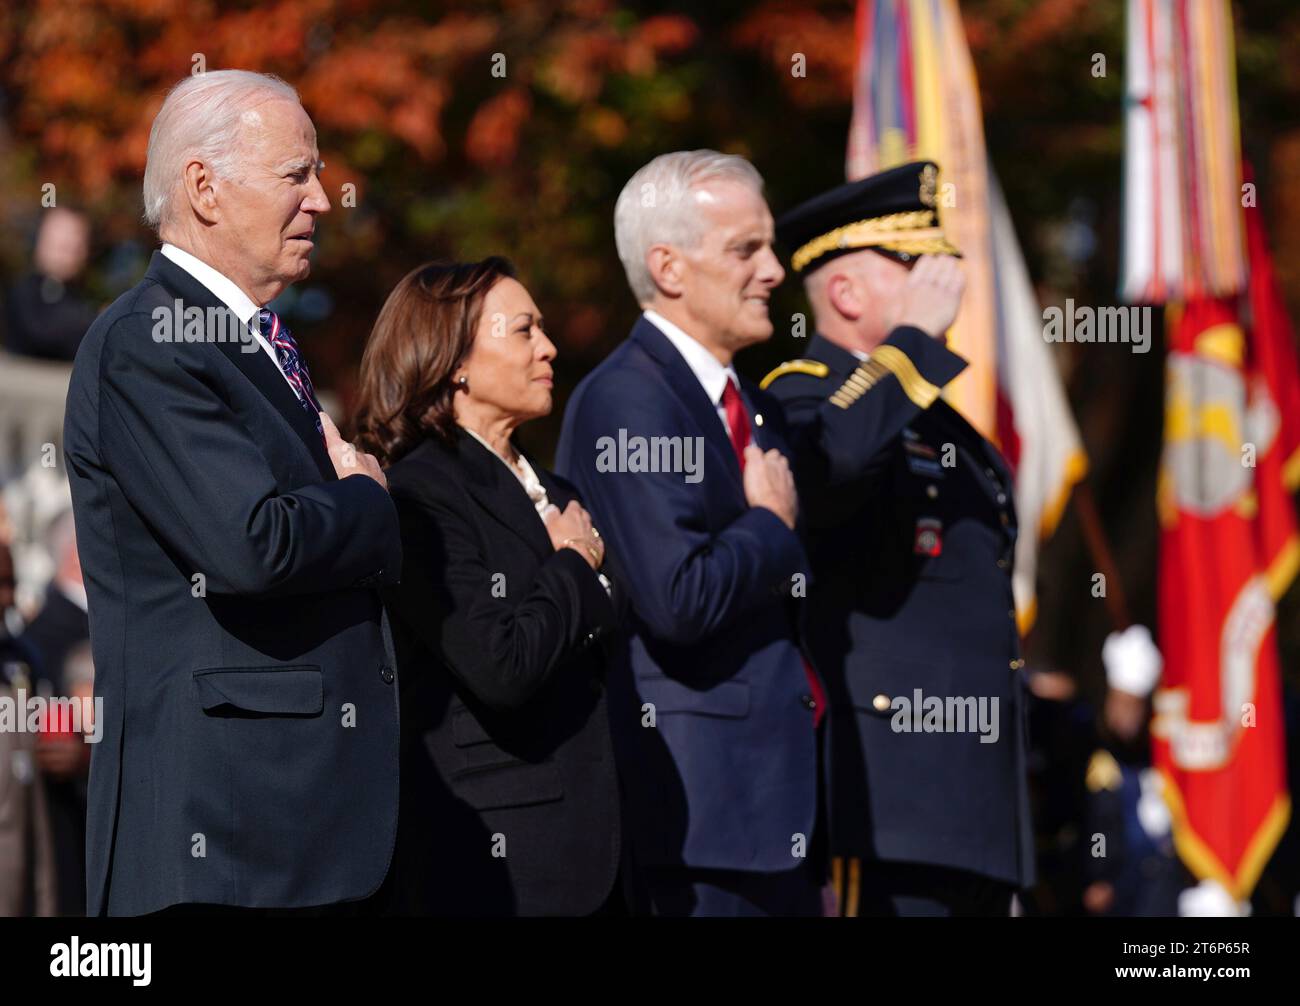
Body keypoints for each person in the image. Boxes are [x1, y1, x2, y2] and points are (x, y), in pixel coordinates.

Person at [63, 70, 401, 916]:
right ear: (204, 189)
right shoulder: (150, 338)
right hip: (220, 841)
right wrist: (368, 501)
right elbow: (254, 543)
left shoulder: (248, 342)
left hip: (287, 835)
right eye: (297, 175)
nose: (322, 200)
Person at [762, 160, 1034, 916]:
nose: (943, 278)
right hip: (884, 795)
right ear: (844, 292)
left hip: (972, 807)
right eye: (913, 263)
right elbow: (833, 466)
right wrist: (913, 338)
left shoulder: (942, 422)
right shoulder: (799, 392)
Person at [556, 150, 824, 916]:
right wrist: (771, 525)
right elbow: (679, 598)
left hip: (772, 812)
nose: (774, 270)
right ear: (668, 268)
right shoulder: (627, 400)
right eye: (747, 249)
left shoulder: (746, 400)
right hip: (700, 819)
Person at [354, 258, 630, 916]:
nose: (550, 347)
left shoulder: (557, 491)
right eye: (525, 330)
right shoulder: (422, 492)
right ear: (456, 360)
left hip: (599, 852)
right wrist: (571, 564)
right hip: (496, 862)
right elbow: (498, 665)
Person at [3, 207, 99, 361]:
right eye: (62, 243)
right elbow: (41, 333)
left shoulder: (79, 296)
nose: (72, 247)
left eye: (77, 241)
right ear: (39, 240)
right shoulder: (25, 292)